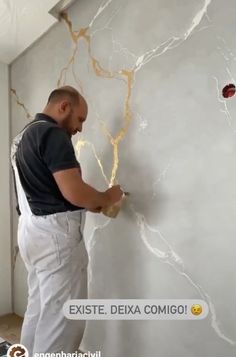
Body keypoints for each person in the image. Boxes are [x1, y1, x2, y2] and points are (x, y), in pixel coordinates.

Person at [11, 86, 123, 355]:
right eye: (80, 119)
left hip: (31, 232)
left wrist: (88, 202)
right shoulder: (52, 133)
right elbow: (73, 190)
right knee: (61, 320)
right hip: (55, 239)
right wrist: (107, 196)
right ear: (64, 107)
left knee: (39, 307)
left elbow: (45, 188)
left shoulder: (23, 136)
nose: (80, 129)